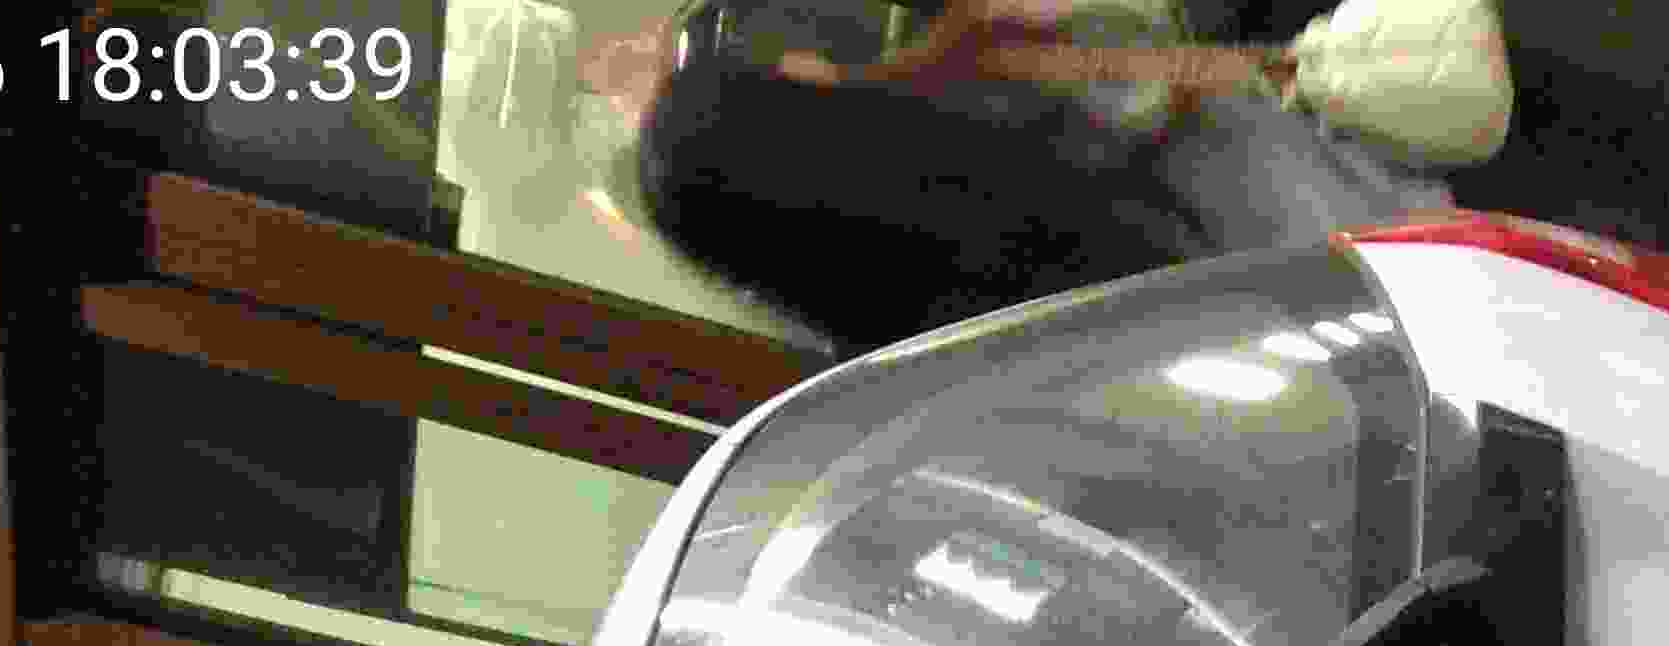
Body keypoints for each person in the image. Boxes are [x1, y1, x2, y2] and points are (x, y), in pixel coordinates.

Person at [591, 0, 1458, 360]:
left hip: (1371, 366)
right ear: (800, 100)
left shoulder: (916, 349)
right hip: (1424, 251)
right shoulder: (1002, 108)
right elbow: (1237, 82)